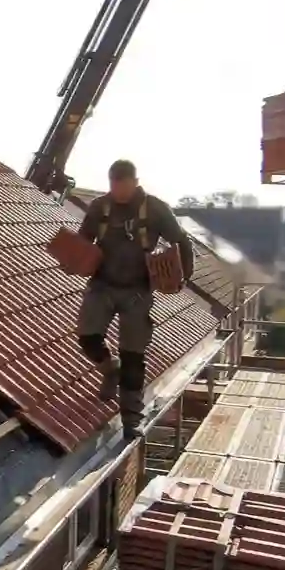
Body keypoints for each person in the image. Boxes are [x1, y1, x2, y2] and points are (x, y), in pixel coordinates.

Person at [76, 159, 194, 439]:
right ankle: (109, 368)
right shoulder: (99, 208)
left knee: (133, 356)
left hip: (137, 290)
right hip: (102, 284)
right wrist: (74, 257)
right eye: (113, 185)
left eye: (123, 185)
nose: (118, 192)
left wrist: (183, 276)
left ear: (134, 181)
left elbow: (181, 241)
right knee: (87, 336)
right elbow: (82, 240)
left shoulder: (154, 209)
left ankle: (132, 418)